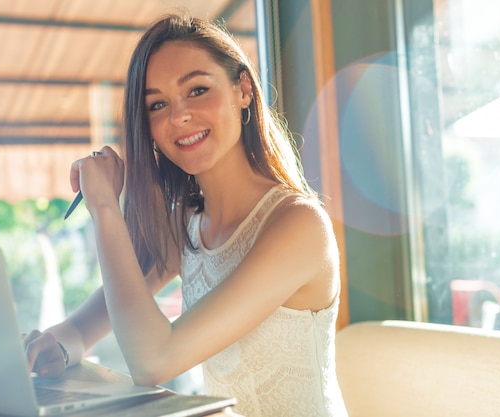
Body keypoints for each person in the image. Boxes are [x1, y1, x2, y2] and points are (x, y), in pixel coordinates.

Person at [24, 12, 348, 417]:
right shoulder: (185, 225)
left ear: (243, 89)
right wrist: (55, 346)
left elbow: (154, 361)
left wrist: (105, 207)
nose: (178, 117)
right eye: (157, 104)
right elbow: (85, 325)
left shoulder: (299, 225)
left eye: (197, 90)